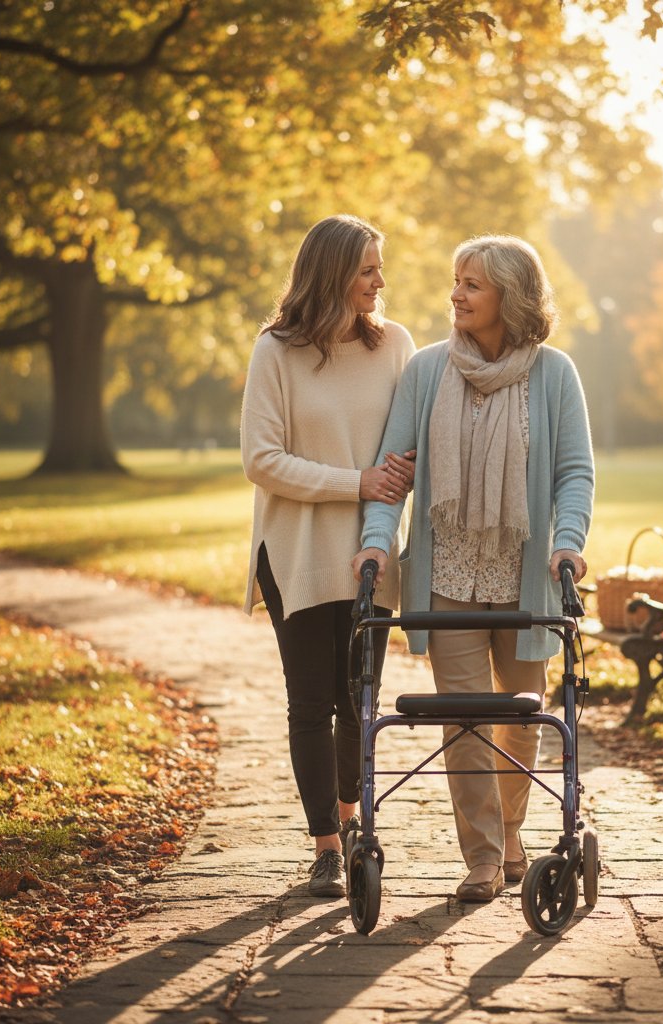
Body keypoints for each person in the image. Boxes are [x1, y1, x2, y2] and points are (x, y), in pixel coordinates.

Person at [352, 234, 594, 902]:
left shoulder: (555, 375)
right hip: (446, 579)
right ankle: (484, 858)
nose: (455, 295)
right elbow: (393, 476)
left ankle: (511, 833)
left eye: (472, 284)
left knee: (522, 718)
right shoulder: (427, 372)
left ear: (510, 298)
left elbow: (574, 473)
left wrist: (567, 541)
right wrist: (377, 542)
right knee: (463, 719)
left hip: (525, 578)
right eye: (456, 281)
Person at [241, 214, 416, 898]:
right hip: (294, 551)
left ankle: (353, 820)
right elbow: (261, 459)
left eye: (380, 268)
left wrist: (386, 489)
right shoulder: (275, 351)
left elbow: (406, 450)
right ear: (332, 274)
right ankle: (324, 845)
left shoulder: (395, 345)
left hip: (370, 553)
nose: (380, 281)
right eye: (368, 269)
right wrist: (356, 481)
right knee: (311, 701)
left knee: (360, 700)